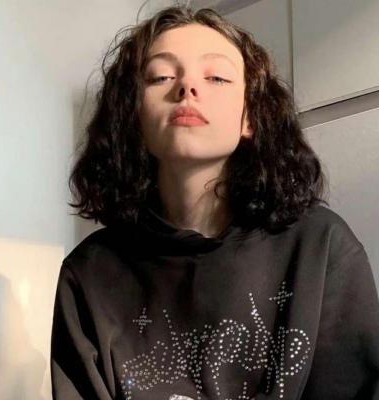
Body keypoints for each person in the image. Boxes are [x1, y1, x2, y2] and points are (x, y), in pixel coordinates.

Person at [50, 5, 379, 400]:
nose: (187, 87)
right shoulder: (87, 275)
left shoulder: (321, 247)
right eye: (161, 76)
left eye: (217, 77)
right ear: (132, 115)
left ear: (250, 119)